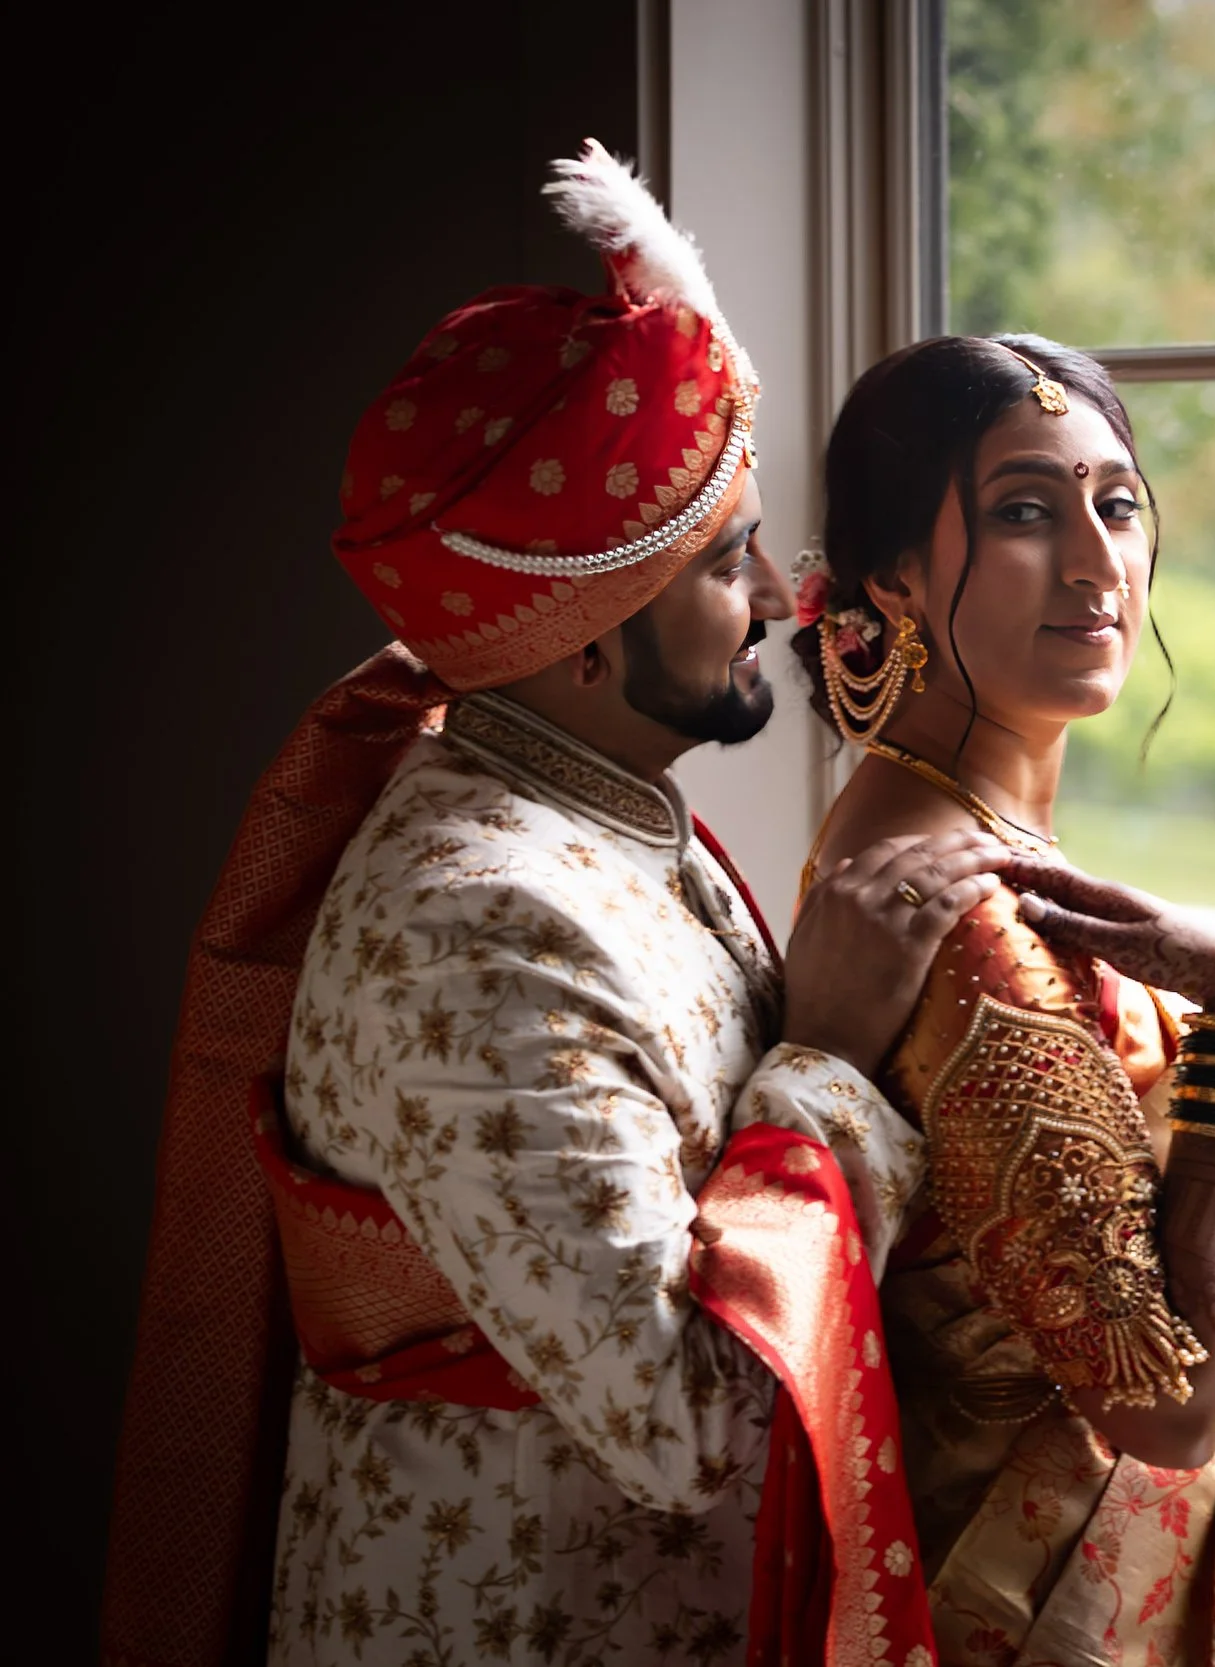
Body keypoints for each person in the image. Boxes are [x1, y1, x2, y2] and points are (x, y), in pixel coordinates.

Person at [103, 143, 985, 1667]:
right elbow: (699, 1421)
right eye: (725, 564)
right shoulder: (483, 924)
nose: (783, 594)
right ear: (582, 643)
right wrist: (831, 1055)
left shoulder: (599, 802)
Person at [787, 335, 1215, 1665]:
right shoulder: (967, 916)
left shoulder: (939, 833)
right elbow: (1170, 1408)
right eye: (1026, 509)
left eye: (1119, 502)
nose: (1097, 563)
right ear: (891, 577)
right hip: (1034, 1610)